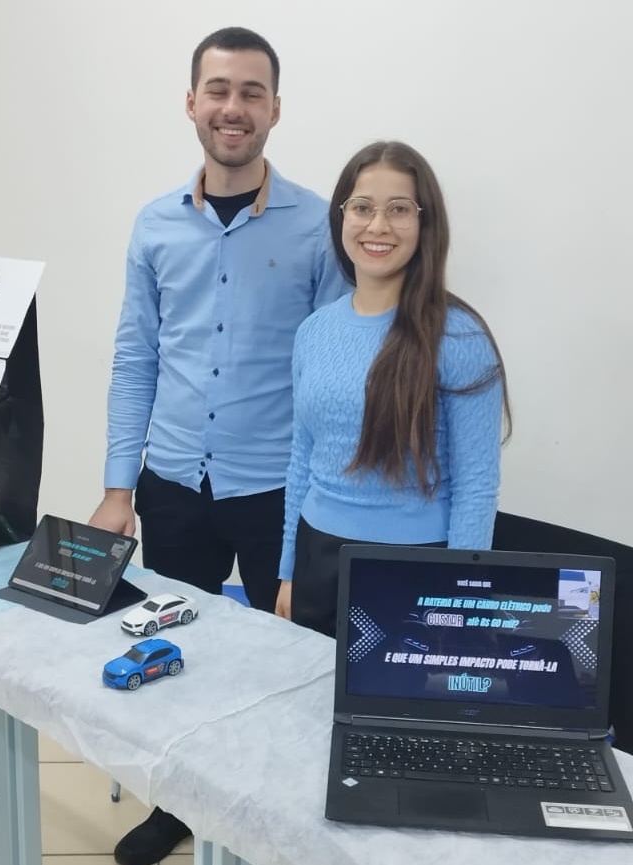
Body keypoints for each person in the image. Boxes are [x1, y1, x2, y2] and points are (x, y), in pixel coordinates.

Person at [89, 26, 348, 865]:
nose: (233, 108)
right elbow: (135, 358)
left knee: (293, 659)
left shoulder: (319, 228)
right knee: (179, 649)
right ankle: (177, 803)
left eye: (251, 92)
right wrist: (118, 487)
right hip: (171, 483)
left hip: (278, 489)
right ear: (192, 101)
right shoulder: (154, 225)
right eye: (219, 90)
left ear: (275, 108)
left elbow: (335, 370)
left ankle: (283, 815)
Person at [275, 140, 512, 638]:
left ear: (425, 223)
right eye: (362, 207)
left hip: (415, 569)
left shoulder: (460, 337)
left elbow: (476, 485)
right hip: (318, 558)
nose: (378, 226)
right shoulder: (314, 331)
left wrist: (463, 597)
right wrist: (289, 571)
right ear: (342, 216)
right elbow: (302, 459)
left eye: (399, 209)